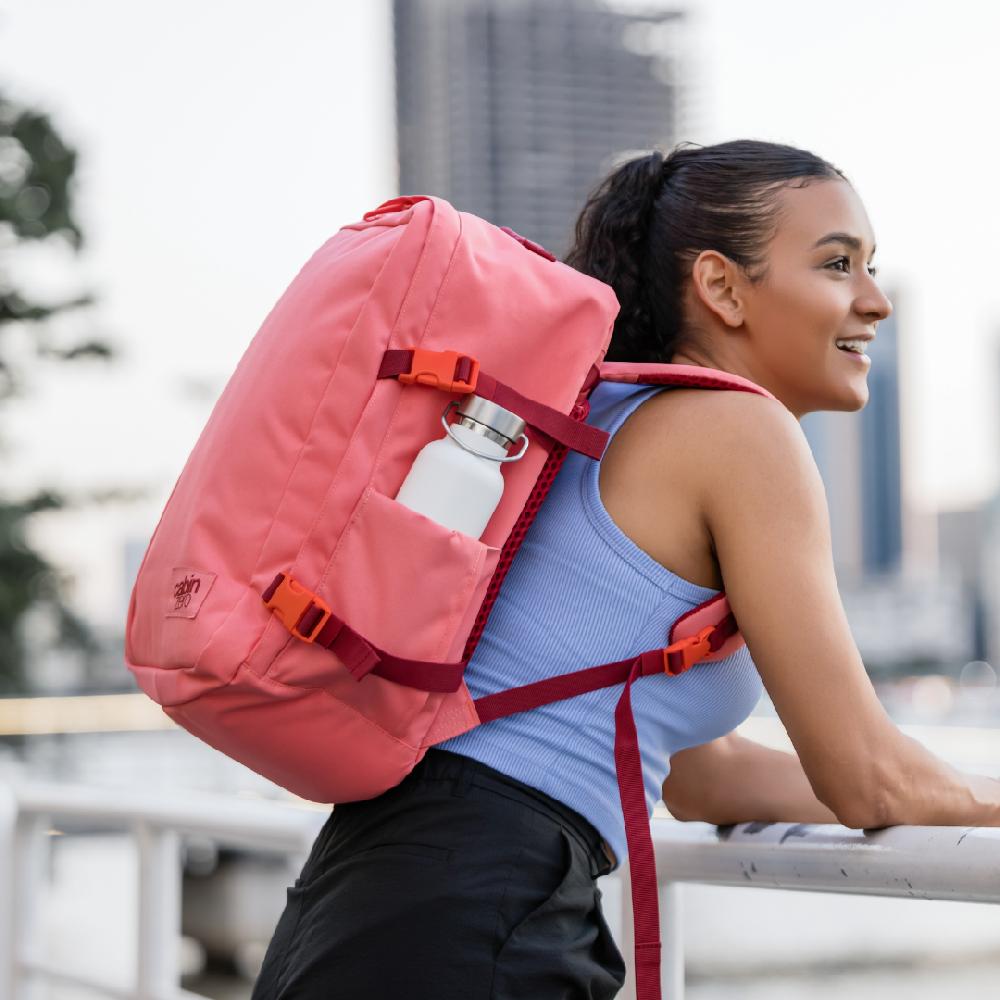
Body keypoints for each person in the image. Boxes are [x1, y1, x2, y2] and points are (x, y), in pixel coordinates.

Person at [250, 139, 1000, 1000]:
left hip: (370, 898)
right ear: (721, 287)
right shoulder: (740, 433)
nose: (875, 301)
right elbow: (867, 776)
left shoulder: (591, 420)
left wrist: (955, 791)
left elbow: (702, 776)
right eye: (838, 264)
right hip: (478, 917)